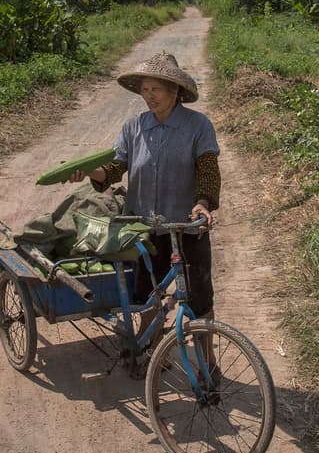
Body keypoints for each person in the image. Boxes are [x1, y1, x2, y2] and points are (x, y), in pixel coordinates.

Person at [67, 52, 221, 319]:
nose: (149, 96)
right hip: (143, 227)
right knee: (146, 295)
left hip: (186, 225)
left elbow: (208, 169)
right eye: (145, 90)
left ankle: (207, 358)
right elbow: (115, 170)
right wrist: (89, 171)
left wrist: (203, 203)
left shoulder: (198, 126)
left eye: (156, 89)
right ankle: (150, 349)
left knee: (199, 298)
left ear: (174, 91)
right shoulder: (134, 127)